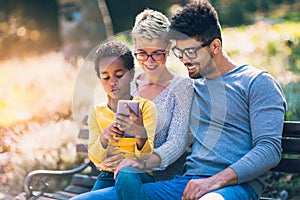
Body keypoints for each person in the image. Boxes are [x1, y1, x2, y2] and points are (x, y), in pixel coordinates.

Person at [71, 1, 287, 199]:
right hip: (185, 184)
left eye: (191, 51)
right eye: (179, 52)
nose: (184, 59)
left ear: (215, 47)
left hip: (235, 187)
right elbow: (166, 124)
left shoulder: (256, 82)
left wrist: (213, 182)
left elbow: (269, 149)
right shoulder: (193, 87)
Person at [71, 9, 194, 200]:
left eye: (157, 54)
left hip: (155, 176)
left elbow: (176, 143)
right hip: (115, 173)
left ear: (169, 47)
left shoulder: (182, 88)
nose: (150, 61)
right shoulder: (128, 80)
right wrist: (107, 156)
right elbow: (108, 124)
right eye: (142, 54)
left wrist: (141, 162)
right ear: (135, 46)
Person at [87, 41, 157, 191]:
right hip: (107, 175)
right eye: (105, 77)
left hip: (137, 174)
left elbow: (145, 156)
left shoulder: (145, 108)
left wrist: (139, 132)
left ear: (131, 74)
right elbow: (95, 158)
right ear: (99, 79)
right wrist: (104, 137)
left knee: (125, 174)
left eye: (119, 75)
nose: (113, 82)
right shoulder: (96, 112)